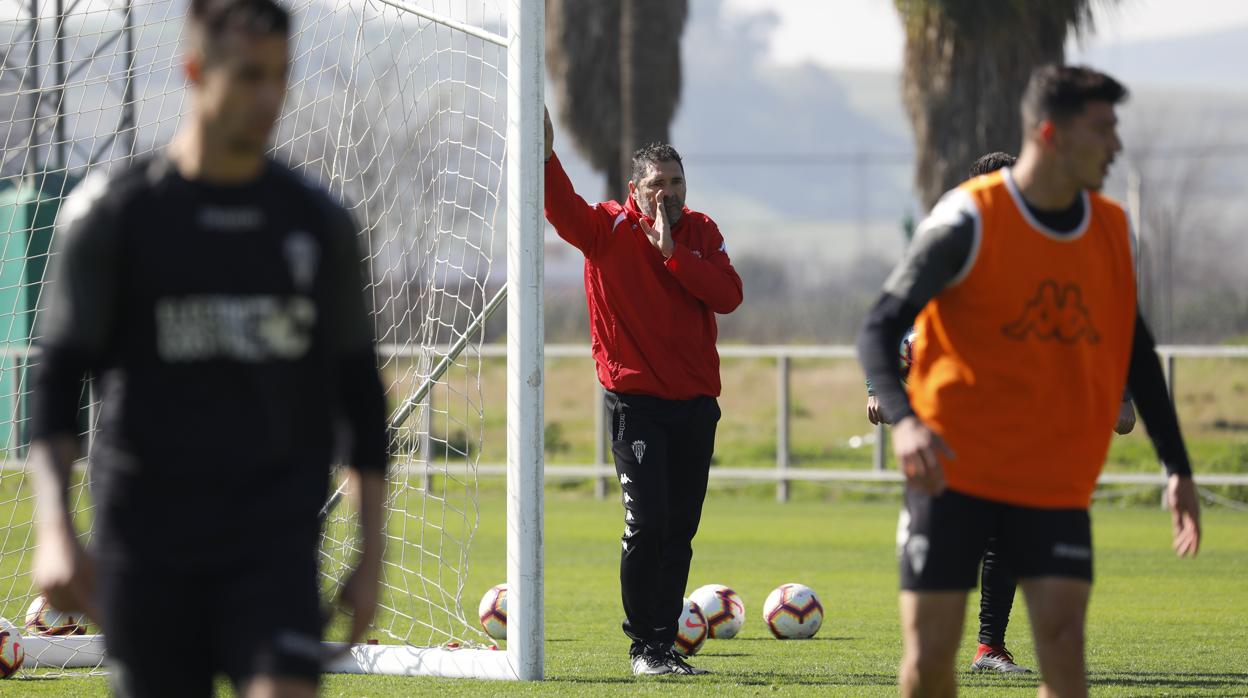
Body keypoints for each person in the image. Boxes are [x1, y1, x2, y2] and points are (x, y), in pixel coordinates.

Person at [29, 0, 389, 695]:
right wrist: (54, 529)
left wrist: (371, 551)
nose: (269, 97)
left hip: (273, 546)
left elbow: (361, 395)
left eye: (280, 75)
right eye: (249, 75)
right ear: (194, 70)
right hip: (147, 547)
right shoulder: (114, 216)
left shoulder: (318, 224)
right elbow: (55, 384)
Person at [857, 65, 1200, 698]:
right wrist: (903, 421)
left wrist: (1176, 465)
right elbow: (879, 329)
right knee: (930, 663)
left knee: (1065, 656)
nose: (1116, 145)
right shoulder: (968, 218)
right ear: (1051, 134)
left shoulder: (1107, 228)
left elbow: (1137, 350)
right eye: (1102, 129)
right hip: (952, 472)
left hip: (1049, 477)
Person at [865, 150, 1138, 675]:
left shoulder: (1048, 253)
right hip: (949, 431)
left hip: (1022, 435)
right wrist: (882, 391)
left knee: (1006, 541)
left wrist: (1120, 393)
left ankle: (990, 647)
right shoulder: (948, 247)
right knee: (952, 552)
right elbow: (891, 330)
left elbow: (1098, 325)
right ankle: (934, 653)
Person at [543, 109, 743, 676]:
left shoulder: (701, 232)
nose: (668, 193)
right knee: (647, 524)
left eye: (677, 182)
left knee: (679, 531)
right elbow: (560, 208)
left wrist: (673, 253)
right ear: (635, 189)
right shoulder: (606, 229)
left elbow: (728, 295)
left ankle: (663, 644)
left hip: (696, 405)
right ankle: (644, 648)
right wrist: (546, 155)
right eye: (657, 183)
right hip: (636, 406)